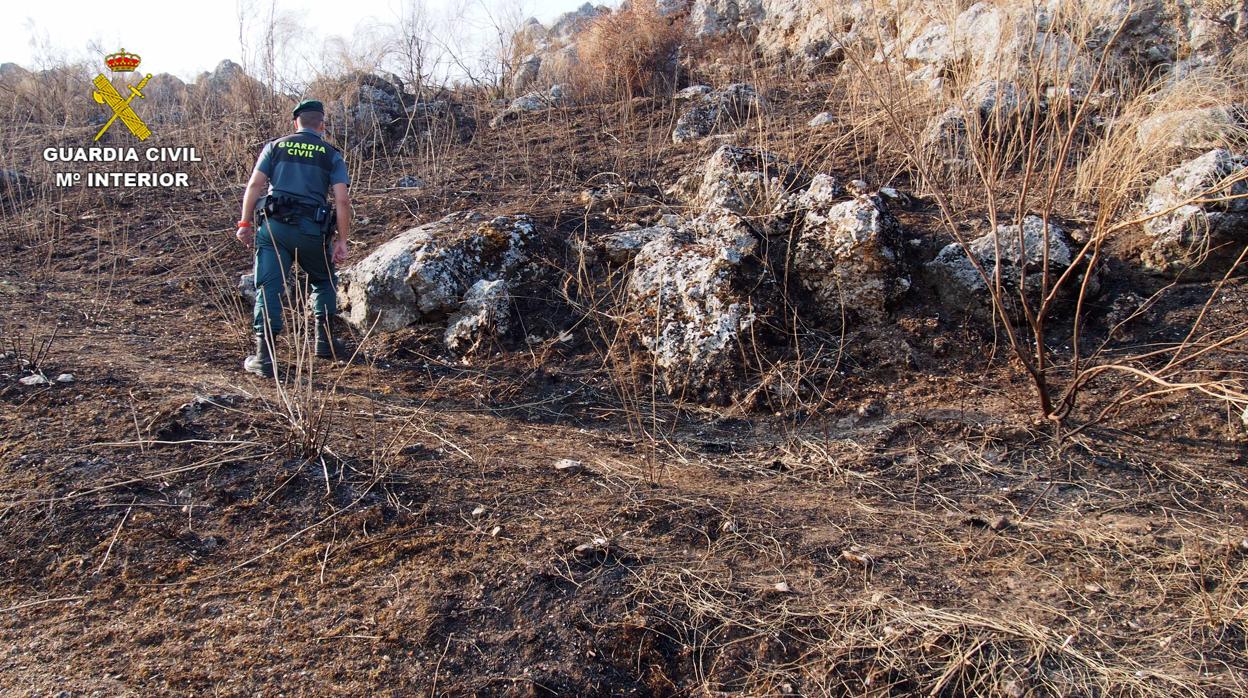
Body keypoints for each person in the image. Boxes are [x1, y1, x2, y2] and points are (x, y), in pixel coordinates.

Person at [234, 99, 353, 378]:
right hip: (312, 231)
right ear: (321, 125)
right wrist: (342, 240)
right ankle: (324, 342)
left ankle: (265, 358)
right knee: (323, 280)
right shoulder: (330, 154)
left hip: (274, 229)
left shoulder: (275, 147)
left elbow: (255, 185)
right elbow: (342, 200)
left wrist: (245, 223)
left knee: (268, 288)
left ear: (295, 123)